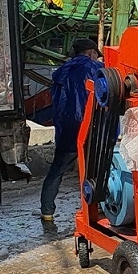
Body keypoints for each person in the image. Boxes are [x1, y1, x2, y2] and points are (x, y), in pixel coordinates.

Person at [40, 38, 102, 222]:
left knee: (57, 170)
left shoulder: (60, 72)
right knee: (96, 171)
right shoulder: (94, 68)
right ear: (91, 52)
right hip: (89, 127)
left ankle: (47, 211)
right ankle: (95, 211)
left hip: (65, 129)